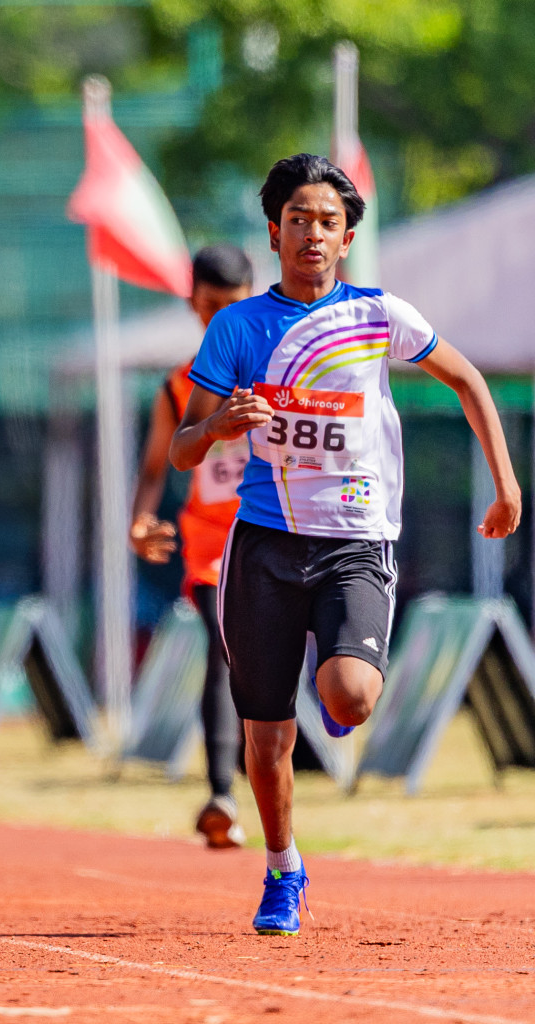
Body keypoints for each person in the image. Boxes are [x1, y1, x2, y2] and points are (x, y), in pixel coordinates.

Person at [170, 154, 521, 936]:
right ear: (274, 232)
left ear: (349, 237)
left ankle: (335, 690)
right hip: (262, 543)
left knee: (349, 696)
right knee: (265, 734)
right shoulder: (237, 327)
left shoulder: (379, 315)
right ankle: (283, 867)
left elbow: (467, 380)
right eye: (298, 219)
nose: (313, 234)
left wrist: (506, 484)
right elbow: (183, 449)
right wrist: (221, 425)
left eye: (328, 222)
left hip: (355, 540)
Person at [129, 244, 253, 850]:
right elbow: (156, 466)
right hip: (210, 545)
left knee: (264, 660)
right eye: (211, 308)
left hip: (282, 535)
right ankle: (222, 794)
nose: (223, 319)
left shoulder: (280, 370)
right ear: (192, 305)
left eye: (235, 306)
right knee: (224, 650)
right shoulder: (178, 386)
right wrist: (141, 520)